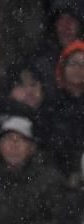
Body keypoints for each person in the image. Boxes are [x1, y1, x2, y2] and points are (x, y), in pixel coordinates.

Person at [38, 39, 84, 178]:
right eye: (73, 64)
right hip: (58, 176)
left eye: (83, 65)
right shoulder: (50, 104)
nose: (78, 69)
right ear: (62, 68)